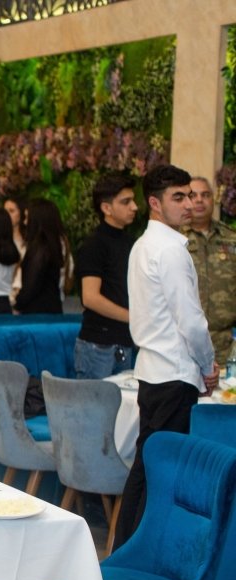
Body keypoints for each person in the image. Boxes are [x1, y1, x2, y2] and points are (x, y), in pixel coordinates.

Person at [115, 164, 219, 549]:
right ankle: (138, 554)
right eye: (178, 197)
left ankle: (125, 551)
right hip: (174, 373)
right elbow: (190, 321)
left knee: (147, 468)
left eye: (189, 195)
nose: (188, 204)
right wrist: (207, 366)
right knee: (162, 474)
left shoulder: (143, 245)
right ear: (155, 203)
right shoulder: (171, 249)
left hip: (152, 371)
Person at [74, 173, 139, 379]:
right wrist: (134, 317)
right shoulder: (95, 244)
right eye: (126, 202)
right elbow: (90, 298)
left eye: (133, 200)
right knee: (95, 400)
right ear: (106, 208)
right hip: (98, 345)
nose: (134, 207)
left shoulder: (130, 242)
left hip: (124, 341)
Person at [183, 176, 236, 366]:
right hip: (183, 344)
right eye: (193, 195)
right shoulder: (174, 238)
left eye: (205, 195)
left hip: (225, 344)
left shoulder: (231, 238)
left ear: (213, 200)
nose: (199, 200)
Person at [14, 199, 64, 314]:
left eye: (27, 218)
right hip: (50, 309)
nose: (25, 222)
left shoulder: (40, 249)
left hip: (38, 313)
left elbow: (31, 285)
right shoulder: (53, 245)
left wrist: (18, 303)